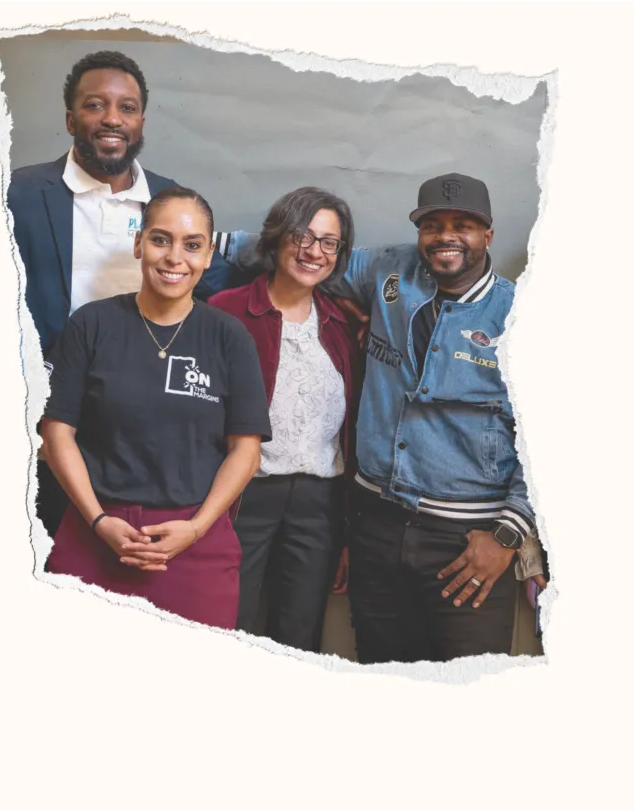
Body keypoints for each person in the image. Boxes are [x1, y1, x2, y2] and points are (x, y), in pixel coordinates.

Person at [219, 173, 546, 662]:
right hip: (377, 526)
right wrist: (200, 244)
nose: (446, 236)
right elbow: (302, 252)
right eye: (432, 225)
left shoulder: (521, 318)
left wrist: (507, 535)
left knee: (467, 695)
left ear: (488, 236)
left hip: (466, 542)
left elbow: (551, 443)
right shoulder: (390, 271)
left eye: (463, 225)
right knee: (381, 678)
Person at [7, 50, 235, 537]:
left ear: (141, 122)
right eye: (95, 105)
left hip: (138, 432)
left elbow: (215, 275)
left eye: (127, 108)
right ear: (71, 120)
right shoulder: (20, 195)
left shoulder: (171, 202)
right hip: (42, 423)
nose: (112, 118)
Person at [39, 187, 271, 629]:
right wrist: (99, 520)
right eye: (161, 239)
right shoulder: (91, 324)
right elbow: (57, 433)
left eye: (192, 245)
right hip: (95, 535)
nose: (174, 257)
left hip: (195, 545)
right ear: (138, 243)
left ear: (206, 257)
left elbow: (246, 450)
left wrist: (197, 528)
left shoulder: (229, 336)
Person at [208, 188, 360, 652]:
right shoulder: (226, 312)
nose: (314, 251)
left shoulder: (343, 324)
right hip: (243, 496)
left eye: (329, 242)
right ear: (277, 238)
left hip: (318, 503)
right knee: (226, 623)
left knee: (299, 634)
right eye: (302, 236)